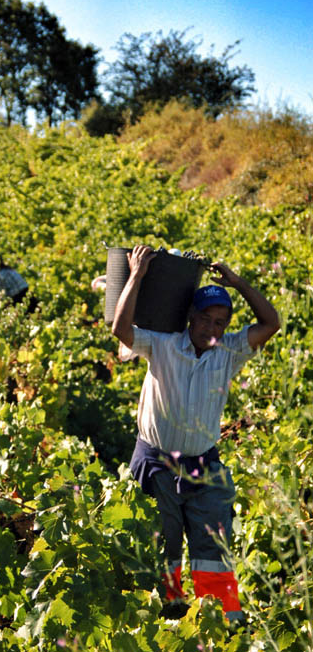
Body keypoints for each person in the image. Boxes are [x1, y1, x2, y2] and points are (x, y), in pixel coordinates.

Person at [112, 245, 280, 623]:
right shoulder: (163, 343)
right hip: (158, 466)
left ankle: (221, 625)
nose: (212, 328)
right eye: (206, 318)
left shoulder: (230, 351)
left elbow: (271, 324)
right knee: (163, 553)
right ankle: (169, 622)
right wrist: (136, 275)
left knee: (212, 552)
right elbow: (120, 330)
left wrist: (238, 284)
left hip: (204, 468)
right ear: (191, 316)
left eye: (221, 322)